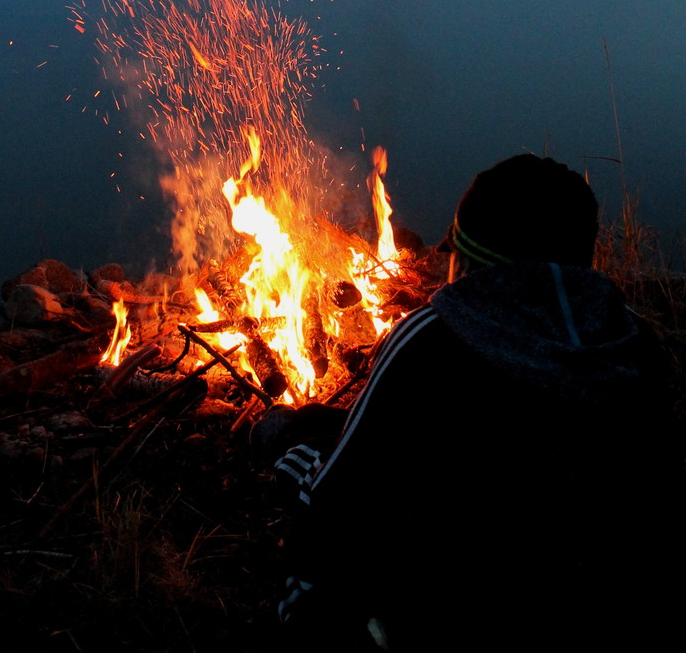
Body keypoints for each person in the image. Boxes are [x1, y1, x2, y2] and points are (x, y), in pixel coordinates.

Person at [273, 155, 681, 649]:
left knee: (308, 538)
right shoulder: (634, 344)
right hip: (600, 610)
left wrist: (291, 451)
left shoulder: (431, 341)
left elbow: (334, 502)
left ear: (465, 261)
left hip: (455, 618)